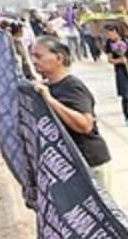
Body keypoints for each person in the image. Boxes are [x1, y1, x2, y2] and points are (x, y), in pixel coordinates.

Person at [29, 36, 113, 191]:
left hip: (90, 163)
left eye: (38, 56)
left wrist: (50, 101)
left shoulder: (72, 86)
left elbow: (85, 125)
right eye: (32, 56)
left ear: (59, 58)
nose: (34, 61)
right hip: (72, 166)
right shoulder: (47, 87)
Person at [104, 24, 128, 126]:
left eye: (110, 33)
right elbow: (110, 59)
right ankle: (127, 117)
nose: (108, 35)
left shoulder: (126, 39)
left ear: (115, 31)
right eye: (107, 33)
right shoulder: (109, 43)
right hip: (120, 70)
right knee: (125, 95)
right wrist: (119, 60)